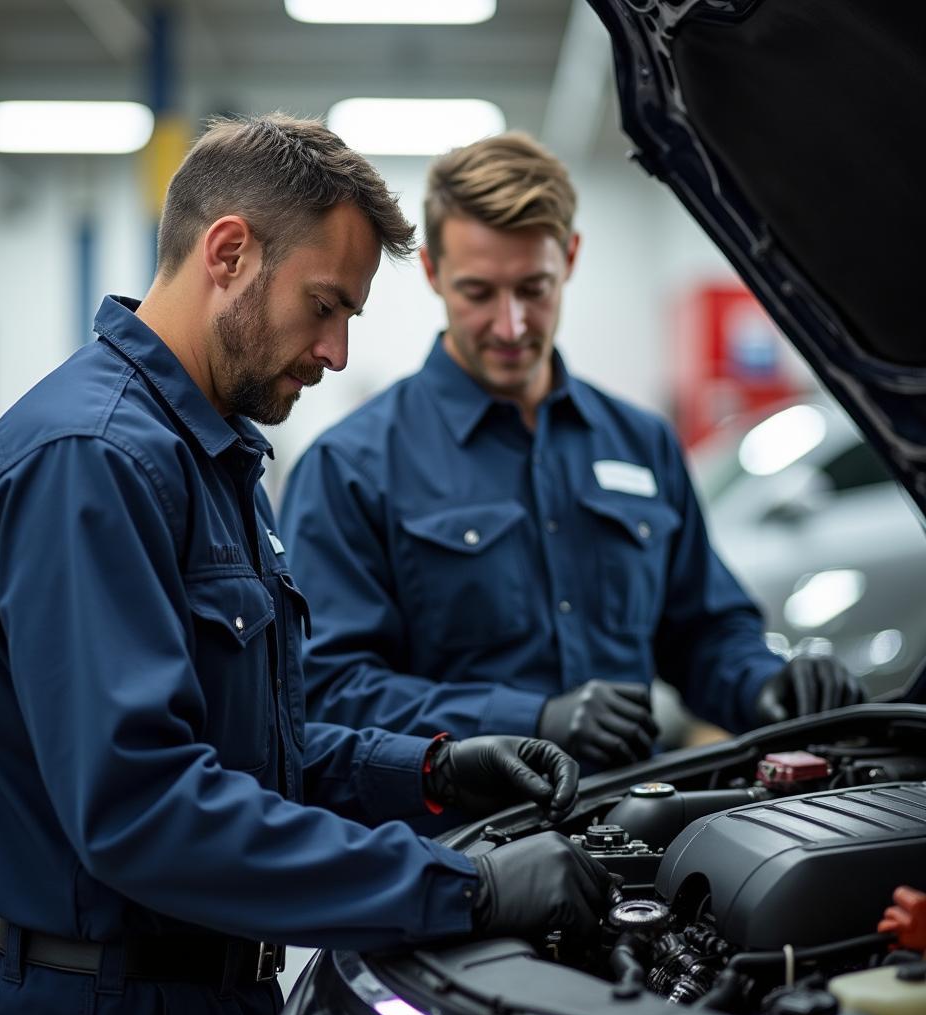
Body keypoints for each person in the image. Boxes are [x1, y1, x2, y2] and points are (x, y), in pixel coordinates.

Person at [0, 116, 616, 1015]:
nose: (336, 352)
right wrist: (466, 886)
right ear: (228, 252)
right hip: (107, 1000)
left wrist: (433, 771)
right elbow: (148, 807)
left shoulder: (211, 459)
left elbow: (247, 756)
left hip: (208, 987)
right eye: (325, 305)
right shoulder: (92, 461)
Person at [279, 131, 864, 782]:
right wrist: (530, 720)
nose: (511, 325)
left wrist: (765, 686)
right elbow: (329, 692)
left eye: (534, 288)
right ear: (434, 274)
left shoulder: (641, 444)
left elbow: (703, 631)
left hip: (631, 819)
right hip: (461, 847)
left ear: (571, 258)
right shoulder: (351, 466)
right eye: (479, 292)